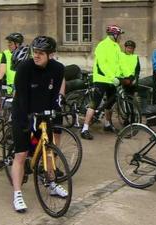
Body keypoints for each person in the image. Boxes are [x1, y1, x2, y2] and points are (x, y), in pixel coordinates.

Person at [11, 36, 68, 213]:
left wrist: (56, 108)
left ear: (51, 55)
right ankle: (17, 193)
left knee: (48, 151)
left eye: (40, 53)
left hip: (43, 112)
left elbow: (54, 94)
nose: (36, 55)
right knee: (21, 154)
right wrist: (28, 116)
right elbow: (21, 96)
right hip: (23, 110)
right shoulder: (24, 68)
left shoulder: (58, 69)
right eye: (34, 52)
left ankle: (51, 184)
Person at [80, 25, 124, 140]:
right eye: (119, 35)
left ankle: (107, 124)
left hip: (112, 80)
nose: (120, 38)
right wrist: (111, 77)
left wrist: (120, 75)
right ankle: (84, 128)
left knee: (110, 103)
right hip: (101, 79)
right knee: (95, 103)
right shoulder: (102, 45)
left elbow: (118, 63)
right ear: (114, 35)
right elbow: (102, 65)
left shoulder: (117, 46)